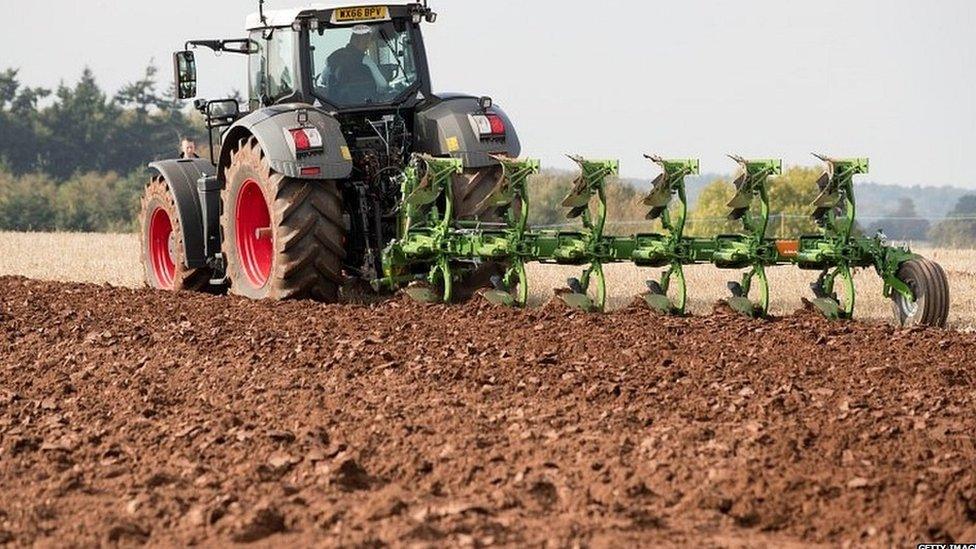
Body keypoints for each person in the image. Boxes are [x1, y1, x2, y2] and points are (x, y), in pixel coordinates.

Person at [322, 25, 388, 103]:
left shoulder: (333, 56)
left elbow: (324, 79)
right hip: (365, 105)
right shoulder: (365, 59)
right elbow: (382, 85)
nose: (367, 46)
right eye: (366, 42)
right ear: (356, 41)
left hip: (337, 105)